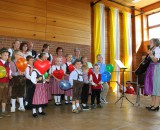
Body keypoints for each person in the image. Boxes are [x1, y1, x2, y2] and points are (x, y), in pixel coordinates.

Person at [31, 53, 49, 118]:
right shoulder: (34, 71)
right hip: (36, 87)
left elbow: (43, 79)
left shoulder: (42, 71)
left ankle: (40, 110)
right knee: (36, 99)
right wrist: (38, 79)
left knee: (41, 99)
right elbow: (32, 80)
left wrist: (45, 80)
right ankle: (34, 111)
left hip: (42, 86)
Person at [145, 38, 160, 111]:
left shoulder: (157, 49)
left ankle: (156, 105)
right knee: (153, 86)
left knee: (157, 87)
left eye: (151, 42)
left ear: (155, 43)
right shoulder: (152, 50)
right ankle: (152, 104)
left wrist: (150, 55)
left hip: (157, 68)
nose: (149, 43)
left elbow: (155, 60)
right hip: (152, 68)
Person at [0, 48, 12, 118]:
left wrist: (10, 75)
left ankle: (3, 110)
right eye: (4, 55)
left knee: (5, 97)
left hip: (6, 82)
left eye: (7, 55)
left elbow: (9, 71)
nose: (6, 57)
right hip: (0, 83)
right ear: (0, 55)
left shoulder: (8, 63)